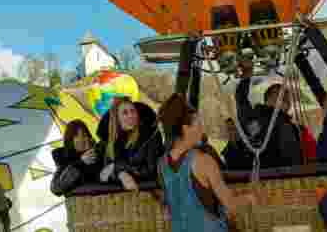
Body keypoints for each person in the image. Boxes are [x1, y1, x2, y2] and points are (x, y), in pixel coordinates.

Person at [157, 93, 254, 232]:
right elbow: (231, 204)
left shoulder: (161, 165)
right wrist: (249, 198)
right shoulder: (203, 160)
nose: (202, 129)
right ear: (186, 129)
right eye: (198, 124)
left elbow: (168, 211)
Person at [234, 59, 303, 168]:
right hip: (276, 177)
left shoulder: (292, 126)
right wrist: (247, 75)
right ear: (268, 99)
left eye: (287, 97)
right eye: (281, 95)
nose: (286, 99)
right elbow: (241, 100)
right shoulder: (256, 118)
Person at [96, 97, 164, 190]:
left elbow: (152, 170)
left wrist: (118, 168)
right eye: (125, 113)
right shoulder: (111, 142)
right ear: (117, 118)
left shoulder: (150, 136)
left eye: (133, 111)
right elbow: (104, 173)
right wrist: (121, 174)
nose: (131, 115)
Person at [51, 119, 103, 196]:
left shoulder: (98, 152)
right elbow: (56, 188)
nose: (82, 139)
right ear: (70, 141)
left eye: (85, 135)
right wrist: (80, 163)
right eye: (76, 136)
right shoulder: (64, 159)